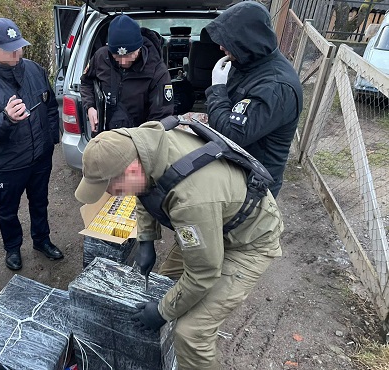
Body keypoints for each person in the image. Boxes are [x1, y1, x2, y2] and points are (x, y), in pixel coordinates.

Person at [75, 121, 283, 369]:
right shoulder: (142, 145)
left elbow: (204, 272)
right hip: (214, 221)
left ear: (131, 169)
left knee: (191, 333)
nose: (113, 194)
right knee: (165, 286)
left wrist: (162, 312)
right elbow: (144, 188)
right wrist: (146, 239)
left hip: (248, 242)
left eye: (111, 186)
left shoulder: (191, 202)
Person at [0, 18, 63, 271]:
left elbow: (51, 106)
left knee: (40, 202)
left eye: (19, 46)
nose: (18, 53)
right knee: (8, 210)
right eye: (10, 49)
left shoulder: (34, 70)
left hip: (40, 157)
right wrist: (6, 120)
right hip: (8, 164)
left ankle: (41, 240)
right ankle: (12, 248)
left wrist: (51, 139)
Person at [204, 1, 303, 197]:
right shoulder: (247, 63)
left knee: (235, 229)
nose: (221, 47)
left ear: (247, 40)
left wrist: (217, 89)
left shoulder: (276, 87)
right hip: (234, 173)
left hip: (253, 187)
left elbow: (232, 136)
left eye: (228, 41)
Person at [80, 14, 174, 133]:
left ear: (139, 47)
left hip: (140, 139)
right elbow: (86, 82)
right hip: (105, 135)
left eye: (129, 55)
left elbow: (161, 119)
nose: (123, 61)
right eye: (117, 56)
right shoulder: (101, 57)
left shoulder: (157, 71)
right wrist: (90, 107)